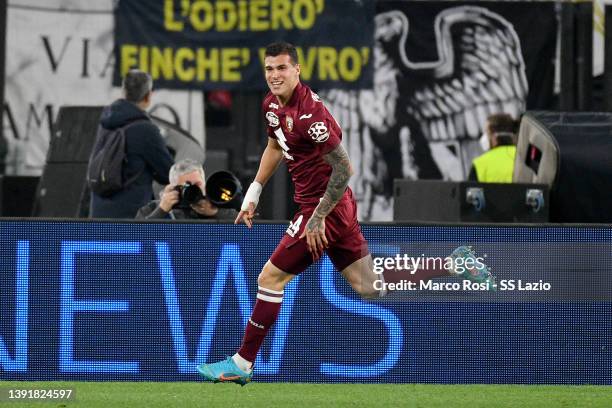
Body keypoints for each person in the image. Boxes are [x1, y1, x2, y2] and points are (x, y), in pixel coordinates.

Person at [197, 42, 494, 385]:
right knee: (370, 287)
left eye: (282, 68)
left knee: (269, 278)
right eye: (269, 69)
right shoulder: (271, 105)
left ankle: (243, 362)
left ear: (297, 70)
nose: (275, 75)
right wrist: (254, 191)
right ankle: (455, 264)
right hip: (335, 209)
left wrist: (318, 216)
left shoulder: (311, 115)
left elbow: (344, 168)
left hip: (325, 209)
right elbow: (275, 145)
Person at [89, 69, 174, 218]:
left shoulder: (105, 123)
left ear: (124, 92)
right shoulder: (146, 130)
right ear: (148, 96)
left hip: (98, 214)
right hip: (131, 219)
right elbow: (168, 173)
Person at [135, 158, 236, 220]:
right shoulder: (153, 208)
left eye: (197, 184)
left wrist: (215, 213)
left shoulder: (218, 205)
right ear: (173, 188)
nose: (193, 189)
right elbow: (135, 238)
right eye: (186, 186)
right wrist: (162, 210)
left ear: (205, 184)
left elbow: (248, 224)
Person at [469, 113, 519, 183]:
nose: (484, 137)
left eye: (486, 133)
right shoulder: (525, 158)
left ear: (494, 137)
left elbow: (472, 192)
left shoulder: (479, 164)